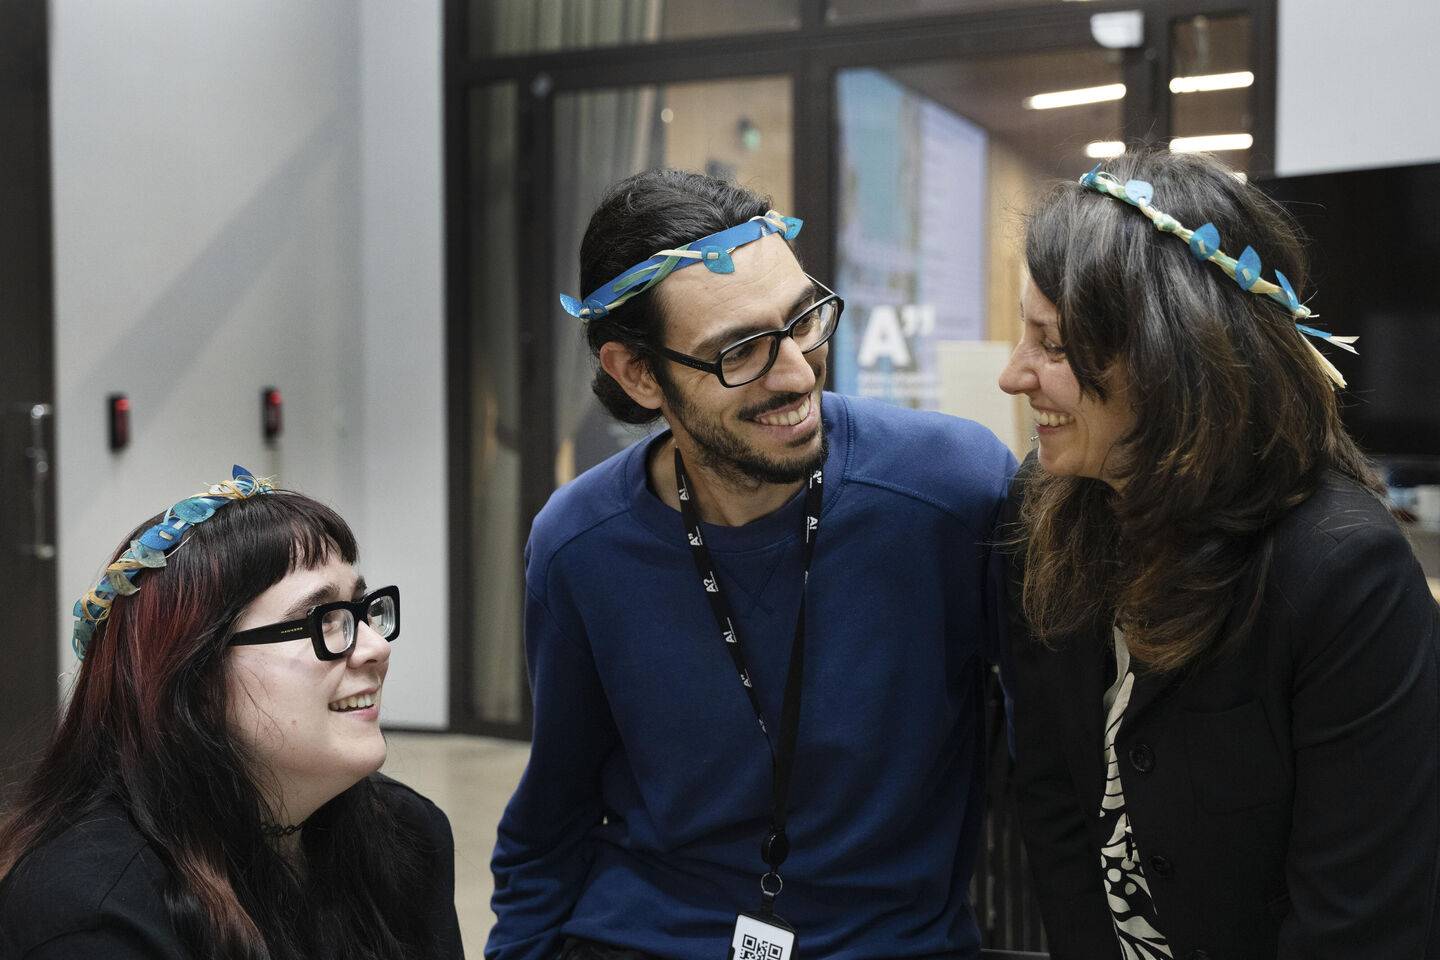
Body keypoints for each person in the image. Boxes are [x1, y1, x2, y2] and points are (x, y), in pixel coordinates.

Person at [486, 170, 1016, 960]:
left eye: (803, 320)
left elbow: (1063, 763)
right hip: (643, 937)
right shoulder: (579, 544)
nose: (797, 373)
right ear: (638, 374)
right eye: (739, 351)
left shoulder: (951, 491)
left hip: (884, 943)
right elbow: (551, 813)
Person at [998, 148, 1440, 959]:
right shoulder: (1046, 508)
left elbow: (1360, 923)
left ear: (1175, 360)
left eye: (1053, 346)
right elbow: (1056, 805)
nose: (1011, 375)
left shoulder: (1344, 575)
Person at [0, 467, 464, 960]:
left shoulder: (406, 831)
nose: (375, 647)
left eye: (359, 608)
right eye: (322, 619)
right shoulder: (92, 915)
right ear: (196, 680)